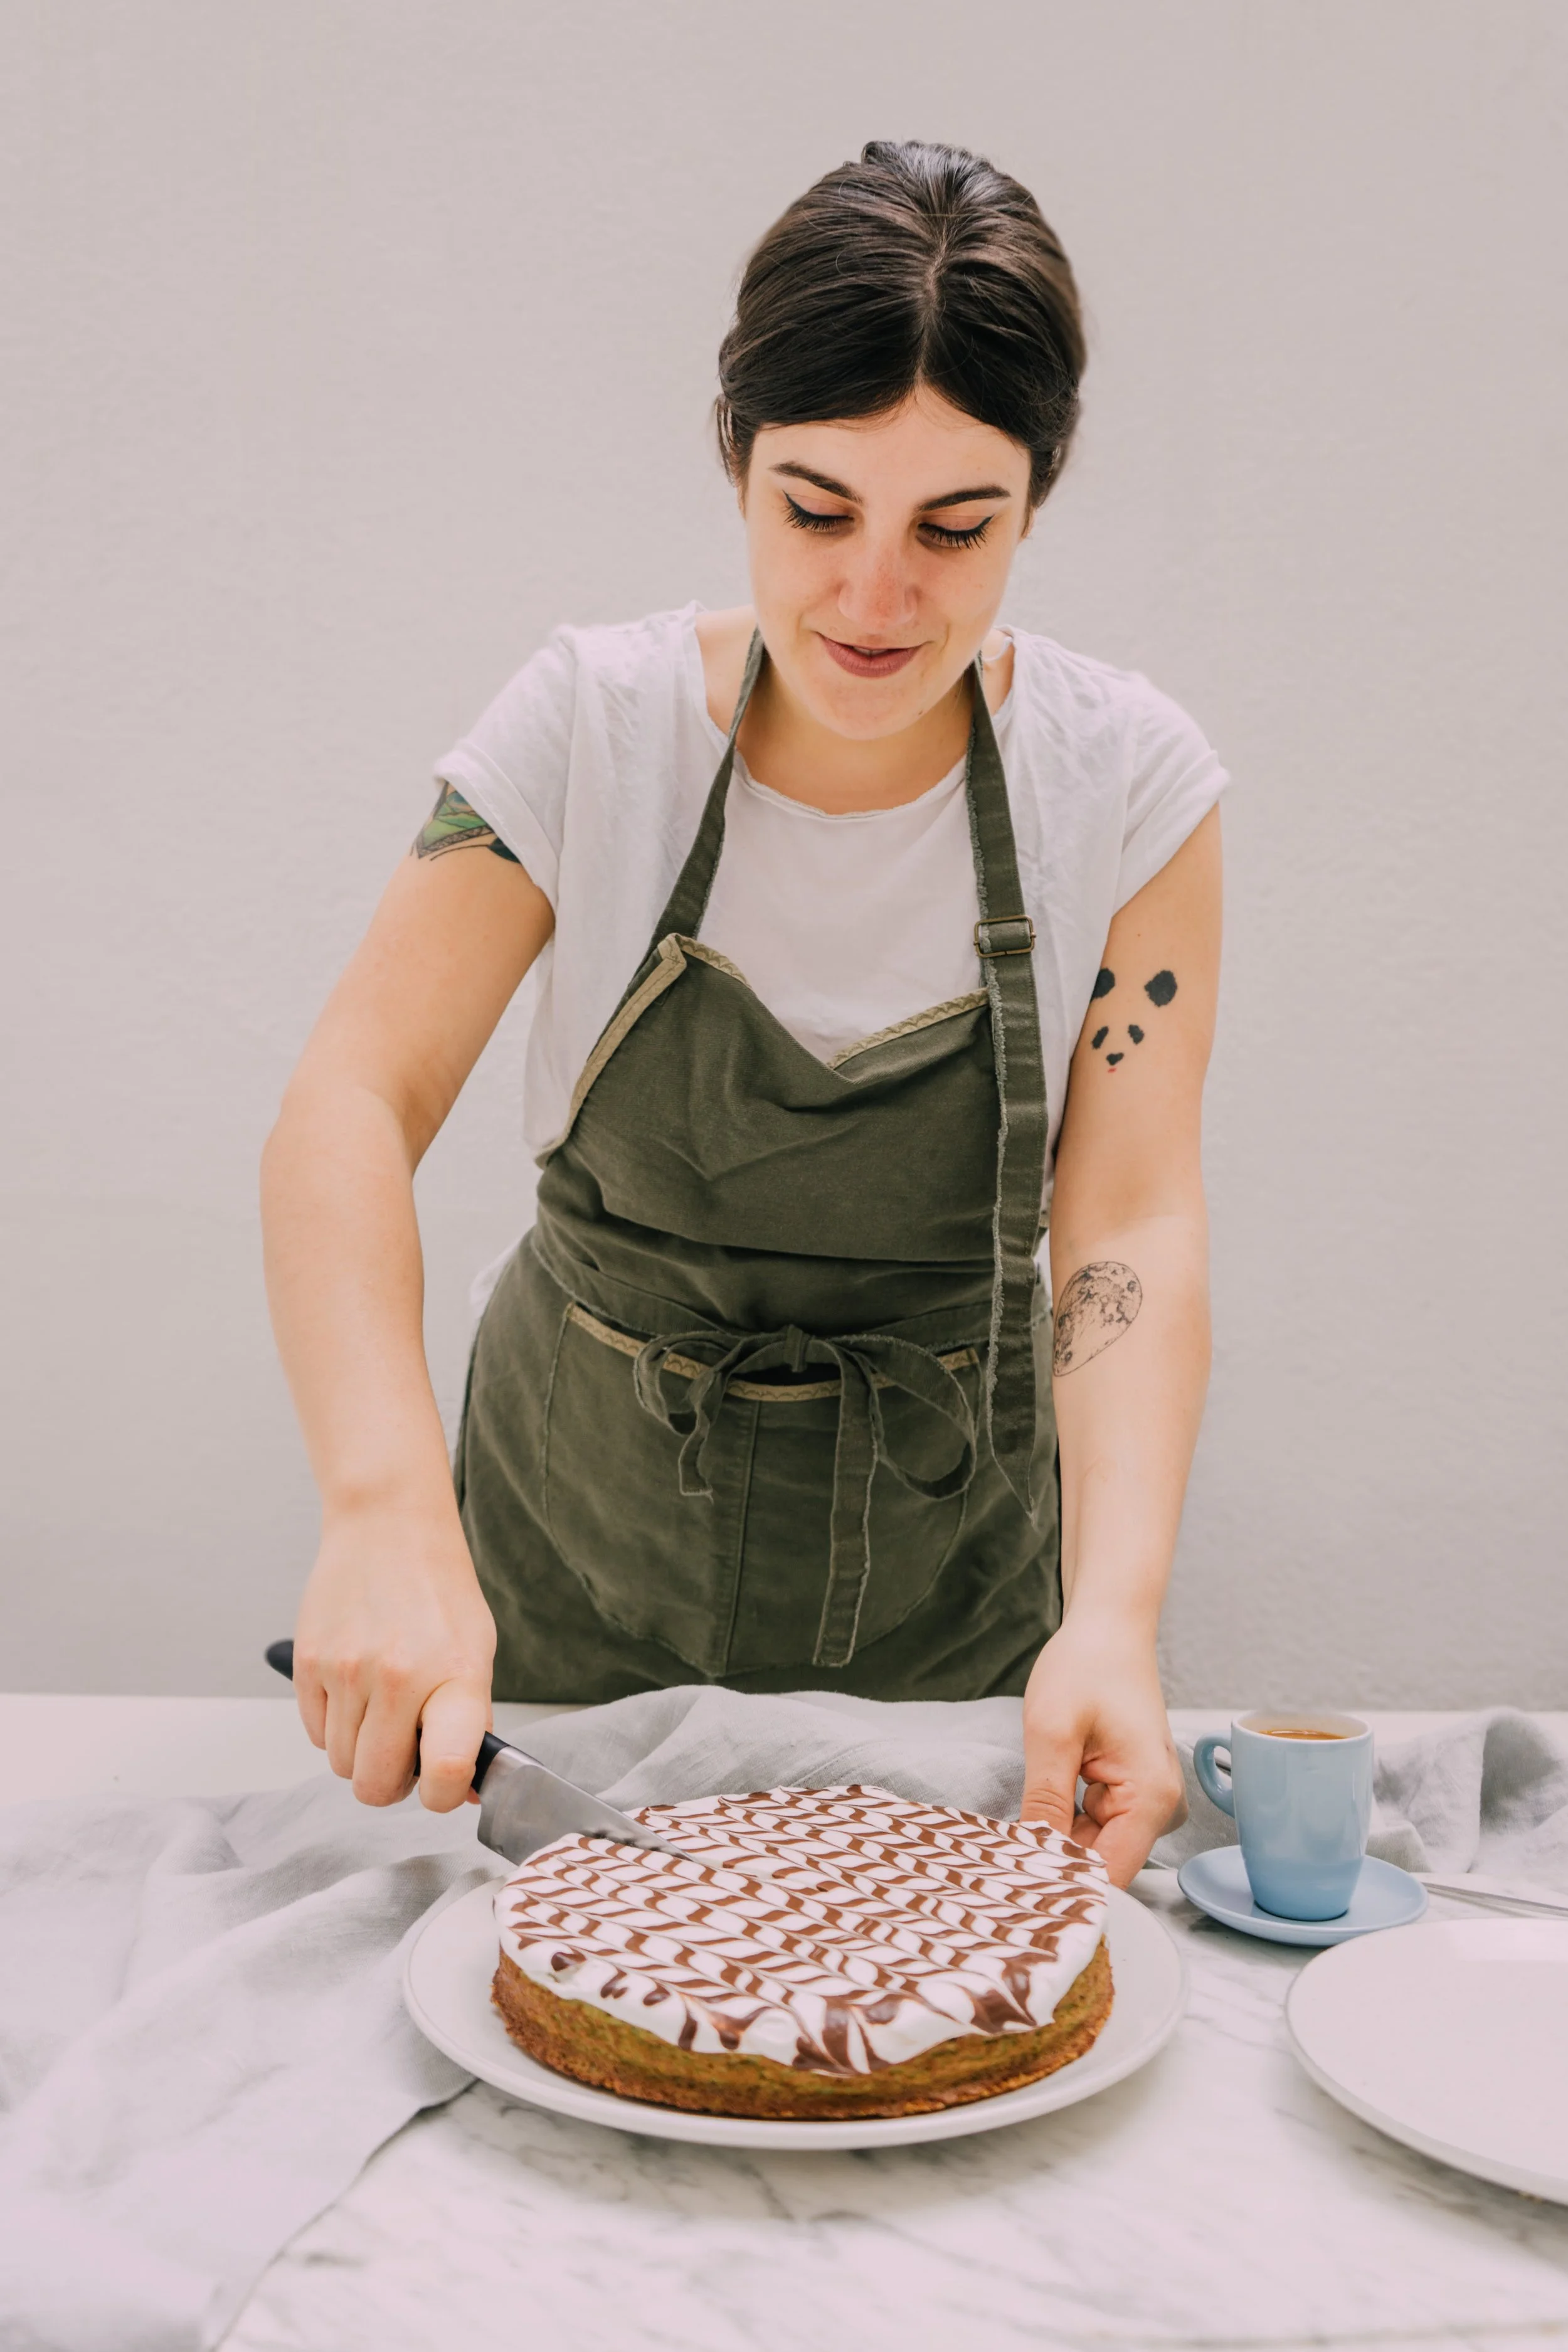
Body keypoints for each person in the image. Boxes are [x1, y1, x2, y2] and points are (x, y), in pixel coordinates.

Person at [262, 140, 1223, 1884]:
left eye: (956, 526)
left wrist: (1117, 1613)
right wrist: (381, 1512)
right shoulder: (588, 730)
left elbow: (1129, 1215)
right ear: (733, 460)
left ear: (1038, 496)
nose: (874, 595)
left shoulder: (1129, 786)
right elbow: (350, 1098)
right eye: (815, 507)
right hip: (569, 1588)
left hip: (952, 1637)